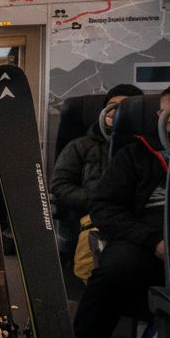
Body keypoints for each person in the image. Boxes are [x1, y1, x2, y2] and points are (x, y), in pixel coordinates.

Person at [73, 81, 170, 338]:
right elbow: (104, 207)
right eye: (169, 112)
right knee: (114, 272)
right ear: (158, 116)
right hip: (144, 234)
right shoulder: (136, 153)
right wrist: (153, 240)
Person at [51, 83, 143, 278]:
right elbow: (60, 185)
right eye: (112, 107)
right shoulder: (80, 147)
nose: (117, 113)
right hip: (90, 214)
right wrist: (99, 201)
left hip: (136, 218)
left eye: (125, 107)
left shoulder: (146, 149)